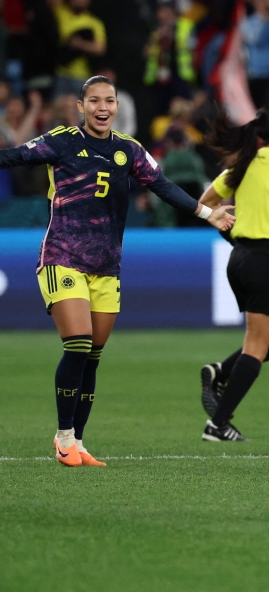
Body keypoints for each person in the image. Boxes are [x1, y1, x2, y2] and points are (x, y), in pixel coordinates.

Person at [0, 75, 234, 466]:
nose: (103, 108)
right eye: (94, 101)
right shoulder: (62, 140)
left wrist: (208, 213)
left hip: (106, 267)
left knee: (92, 355)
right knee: (76, 342)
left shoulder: (130, 150)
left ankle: (79, 442)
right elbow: (12, 156)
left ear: (117, 107)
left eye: (109, 100)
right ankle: (62, 436)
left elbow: (163, 187)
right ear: (81, 106)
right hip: (62, 256)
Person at [197, 104, 269, 442]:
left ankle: (220, 373)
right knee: (257, 347)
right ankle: (218, 423)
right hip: (267, 259)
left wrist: (229, 230)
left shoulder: (242, 165)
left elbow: (206, 202)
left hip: (240, 258)